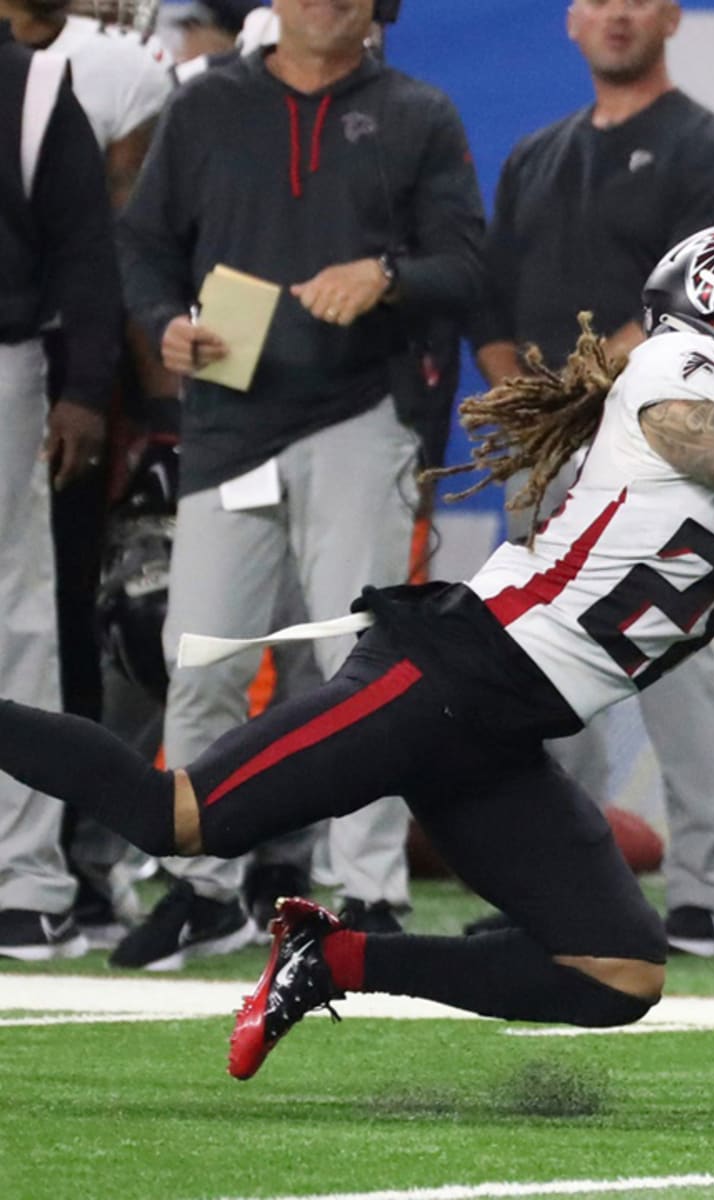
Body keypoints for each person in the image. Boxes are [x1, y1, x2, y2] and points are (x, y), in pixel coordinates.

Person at [0, 221, 714, 1074]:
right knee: (179, 819)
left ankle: (333, 957)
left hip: (506, 727)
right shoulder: (677, 371)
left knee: (617, 974)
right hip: (442, 672)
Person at [109, 0, 485, 968]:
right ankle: (203, 890)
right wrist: (162, 323)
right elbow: (144, 244)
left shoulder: (418, 113)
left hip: (360, 418)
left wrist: (387, 276)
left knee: (364, 664)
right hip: (230, 422)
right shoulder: (206, 111)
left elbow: (468, 266)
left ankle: (367, 890)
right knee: (201, 661)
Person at [472, 0, 714, 956]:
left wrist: (576, 398)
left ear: (671, 16)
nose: (618, 14)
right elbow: (492, 304)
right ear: (570, 21)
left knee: (675, 664)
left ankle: (702, 894)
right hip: (546, 455)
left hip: (658, 451)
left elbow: (697, 313)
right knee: (535, 668)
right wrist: (530, 412)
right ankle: (558, 886)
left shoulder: (706, 149)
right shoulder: (533, 156)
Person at [0, 24, 123, 958]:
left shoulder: (37, 82)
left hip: (7, 362)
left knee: (18, 614)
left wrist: (85, 387)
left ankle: (26, 877)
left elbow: (86, 246)